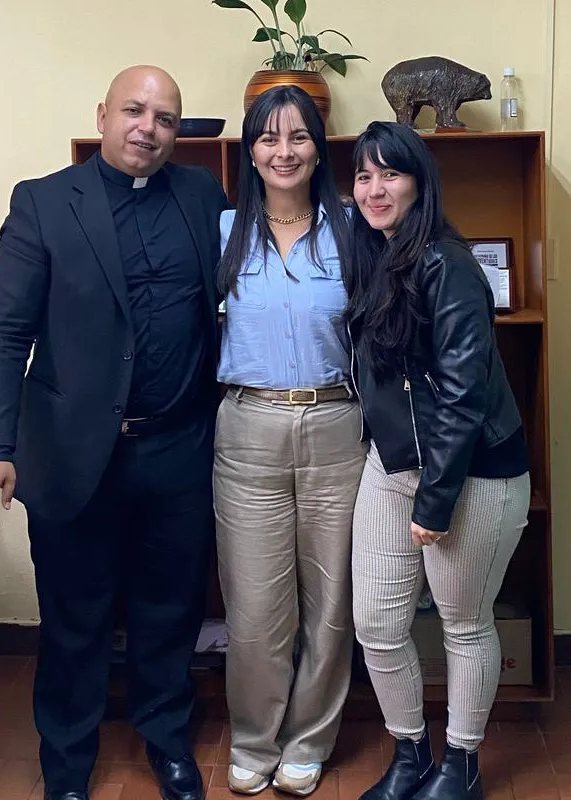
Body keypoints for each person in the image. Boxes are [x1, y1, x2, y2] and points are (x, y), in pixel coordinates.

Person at [0, 65, 228, 800]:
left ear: (180, 131)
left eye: (166, 118)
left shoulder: (204, 196)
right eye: (134, 111)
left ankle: (167, 737)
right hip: (76, 454)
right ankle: (67, 760)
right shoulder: (44, 203)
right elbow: (3, 336)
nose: (148, 128)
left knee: (170, 609)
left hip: (179, 446)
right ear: (103, 114)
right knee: (74, 616)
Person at [343, 121, 531, 800]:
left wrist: (436, 498)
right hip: (393, 464)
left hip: (470, 473)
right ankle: (409, 754)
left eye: (390, 173)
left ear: (420, 183)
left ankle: (461, 766)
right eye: (363, 176)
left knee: (463, 623)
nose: (374, 188)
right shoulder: (376, 256)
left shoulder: (447, 264)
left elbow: (462, 393)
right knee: (377, 622)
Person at [213, 85, 364, 797]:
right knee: (254, 604)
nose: (283, 151)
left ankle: (309, 738)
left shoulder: (351, 228)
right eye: (268, 138)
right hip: (246, 425)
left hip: (337, 423)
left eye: (298, 136)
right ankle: (254, 736)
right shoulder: (221, 232)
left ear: (318, 147)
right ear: (250, 150)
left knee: (332, 599)